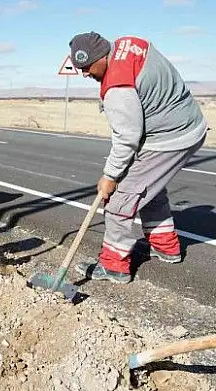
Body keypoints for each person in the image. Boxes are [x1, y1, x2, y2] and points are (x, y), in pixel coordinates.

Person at [69, 31, 208, 284]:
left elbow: (127, 138)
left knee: (120, 199)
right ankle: (166, 247)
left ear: (101, 56)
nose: (85, 74)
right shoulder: (131, 44)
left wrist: (110, 176)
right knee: (148, 188)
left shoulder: (117, 86)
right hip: (188, 126)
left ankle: (114, 266)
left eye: (87, 67)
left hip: (168, 137)